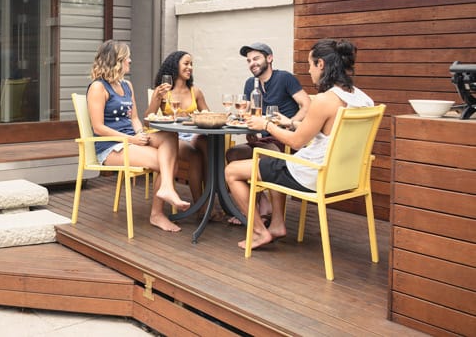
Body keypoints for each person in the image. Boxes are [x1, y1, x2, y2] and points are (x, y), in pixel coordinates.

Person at [225, 39, 374, 250]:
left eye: (310, 64)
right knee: (266, 159)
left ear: (321, 64)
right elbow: (322, 129)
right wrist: (291, 122)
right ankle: (276, 224)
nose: (309, 70)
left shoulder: (324, 100)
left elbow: (296, 141)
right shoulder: (363, 99)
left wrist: (266, 124)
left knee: (231, 171)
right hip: (342, 175)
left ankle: (259, 232)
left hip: (308, 173)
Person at [87, 40, 190, 232]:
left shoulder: (127, 85)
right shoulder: (98, 88)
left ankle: (166, 187)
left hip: (131, 139)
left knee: (170, 136)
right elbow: (98, 127)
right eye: (127, 58)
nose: (130, 61)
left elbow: (134, 118)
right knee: (167, 162)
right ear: (116, 61)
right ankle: (157, 214)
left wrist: (141, 133)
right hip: (110, 147)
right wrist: (131, 140)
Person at [225, 42, 311, 225]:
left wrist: (290, 124)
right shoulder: (250, 84)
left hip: (286, 141)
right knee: (233, 154)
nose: (252, 63)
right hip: (265, 140)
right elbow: (249, 114)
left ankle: (273, 219)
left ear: (269, 58)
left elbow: (307, 104)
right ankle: (260, 205)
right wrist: (250, 129)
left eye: (256, 58)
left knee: (268, 155)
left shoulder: (285, 78)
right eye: (249, 61)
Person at [144, 51, 210, 210]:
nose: (190, 67)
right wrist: (156, 98)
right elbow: (147, 120)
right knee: (195, 155)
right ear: (175, 66)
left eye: (191, 64)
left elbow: (208, 116)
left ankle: (212, 199)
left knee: (209, 147)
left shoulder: (196, 92)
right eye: (186, 64)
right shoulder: (163, 91)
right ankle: (201, 206)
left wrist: (200, 117)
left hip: (194, 134)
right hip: (173, 136)